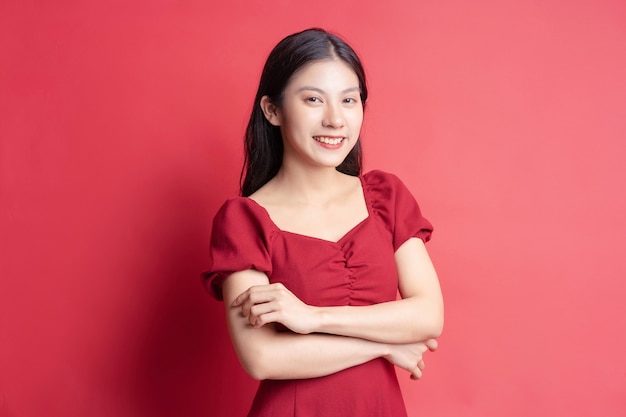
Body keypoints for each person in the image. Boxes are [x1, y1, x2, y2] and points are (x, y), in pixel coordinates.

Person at [203, 28, 444, 417]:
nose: (335, 119)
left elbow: (429, 315)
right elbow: (263, 357)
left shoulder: (386, 197)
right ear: (272, 110)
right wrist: (383, 345)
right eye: (313, 99)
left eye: (349, 100)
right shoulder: (243, 220)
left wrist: (313, 317)